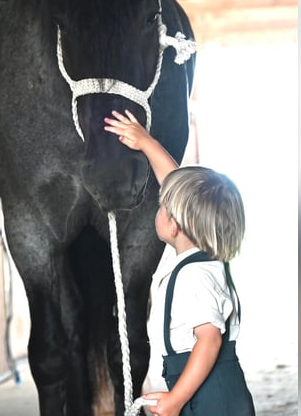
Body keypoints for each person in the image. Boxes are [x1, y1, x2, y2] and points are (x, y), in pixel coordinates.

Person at [104, 110, 256, 416]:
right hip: (211, 387)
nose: (159, 206)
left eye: (163, 205)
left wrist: (175, 400)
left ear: (175, 225)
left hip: (210, 395)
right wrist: (146, 143)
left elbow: (209, 340)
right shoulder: (206, 262)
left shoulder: (194, 276)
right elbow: (178, 188)